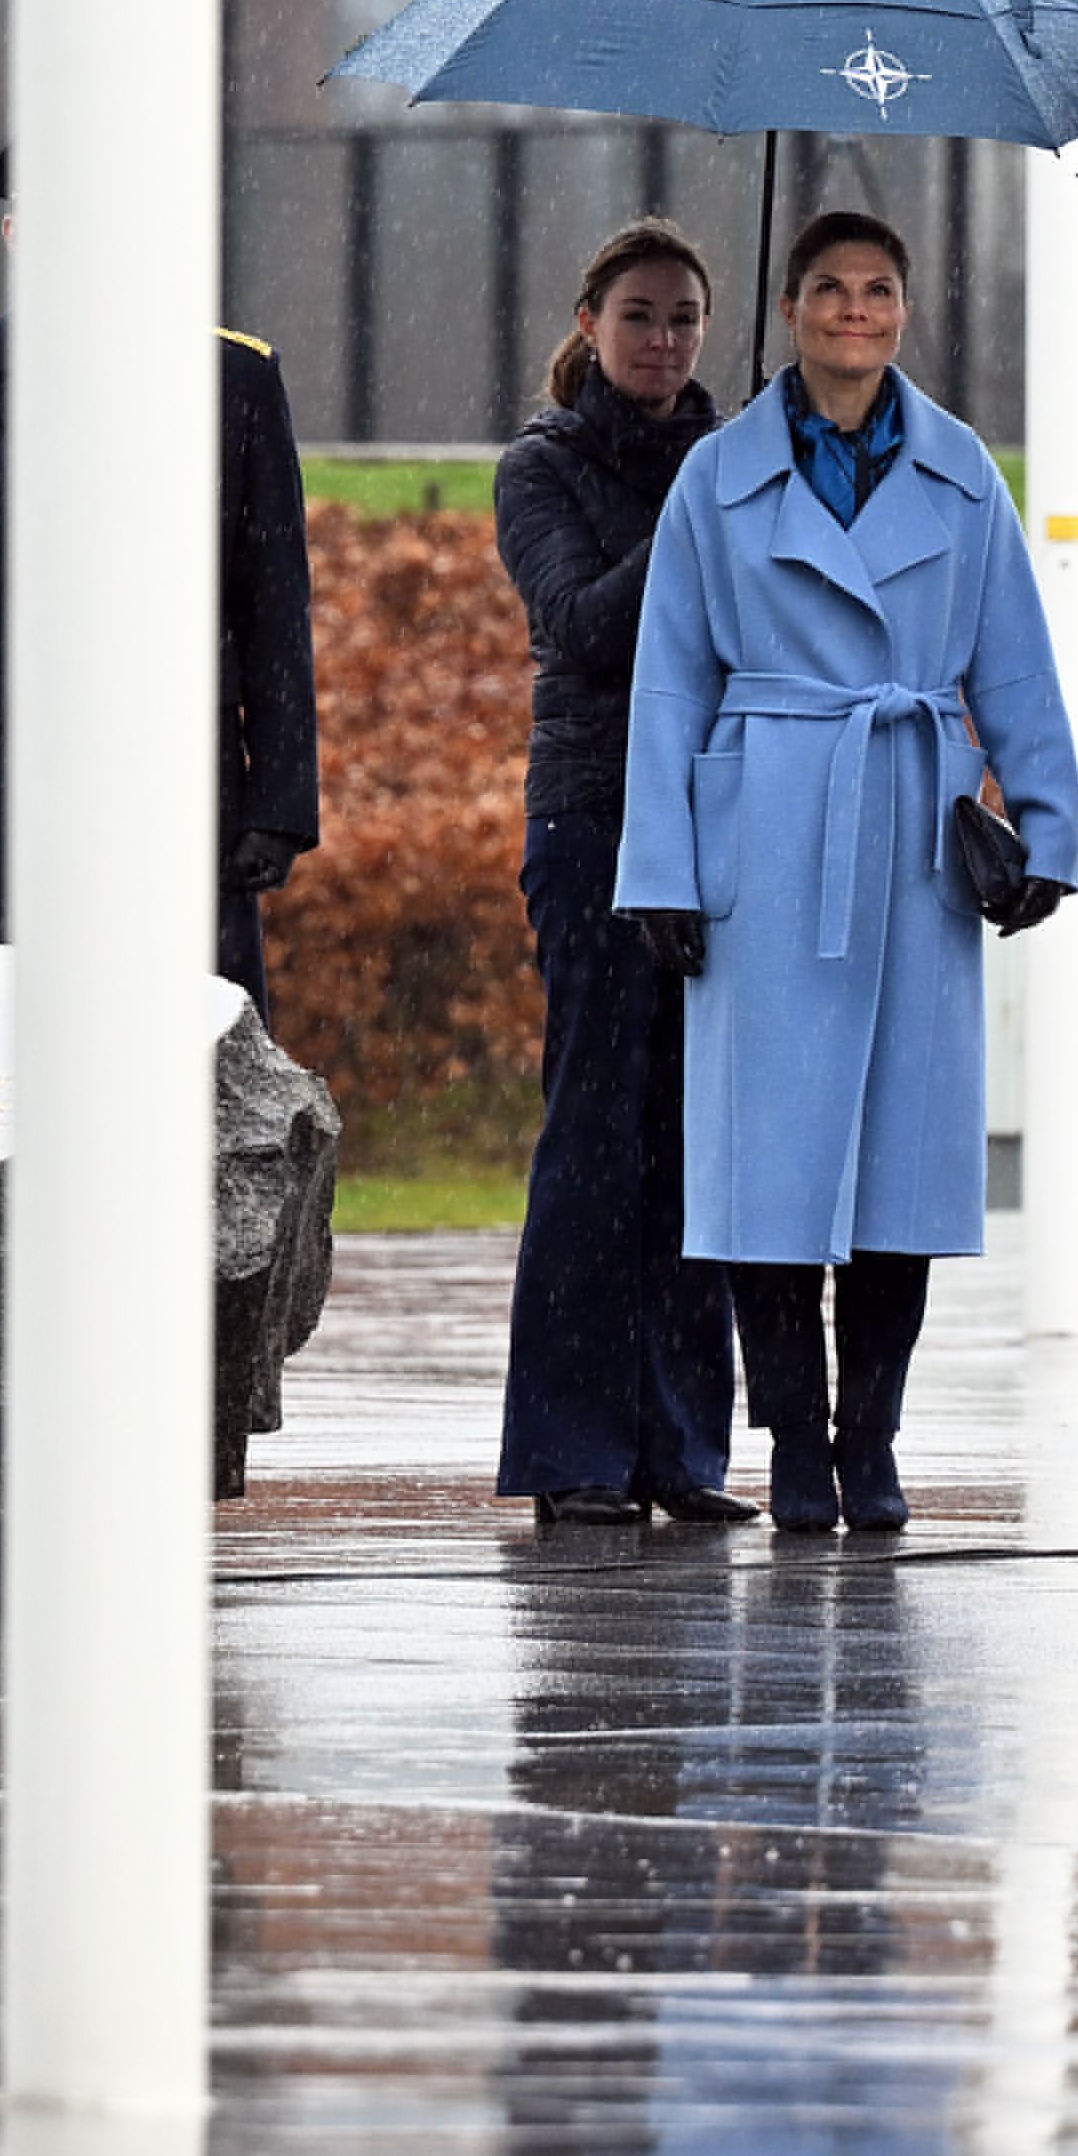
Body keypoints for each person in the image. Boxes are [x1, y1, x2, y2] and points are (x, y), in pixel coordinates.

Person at [613, 207, 1078, 1536]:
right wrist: (659, 865)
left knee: (899, 1165)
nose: (855, 311)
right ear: (790, 308)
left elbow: (1013, 660)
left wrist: (1042, 826)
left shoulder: (963, 472)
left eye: (879, 289)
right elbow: (670, 682)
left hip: (914, 833)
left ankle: (868, 1433)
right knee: (769, 1163)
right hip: (766, 830)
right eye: (830, 288)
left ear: (906, 311)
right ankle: (793, 1446)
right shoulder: (715, 476)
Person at [0, 146, 324, 999]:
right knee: (0, 1065)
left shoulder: (234, 385)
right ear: (13, 237)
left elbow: (273, 606)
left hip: (181, 792)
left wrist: (280, 804)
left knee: (198, 1068)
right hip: (0, 808)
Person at [490, 220, 754, 1530]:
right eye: (642, 314)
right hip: (598, 819)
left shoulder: (739, 460)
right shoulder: (540, 468)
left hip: (722, 822)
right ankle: (573, 1446)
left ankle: (681, 1445)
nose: (666, 339)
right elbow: (585, 623)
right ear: (590, 322)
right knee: (597, 1127)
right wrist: (702, 509)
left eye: (688, 317)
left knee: (698, 1135)